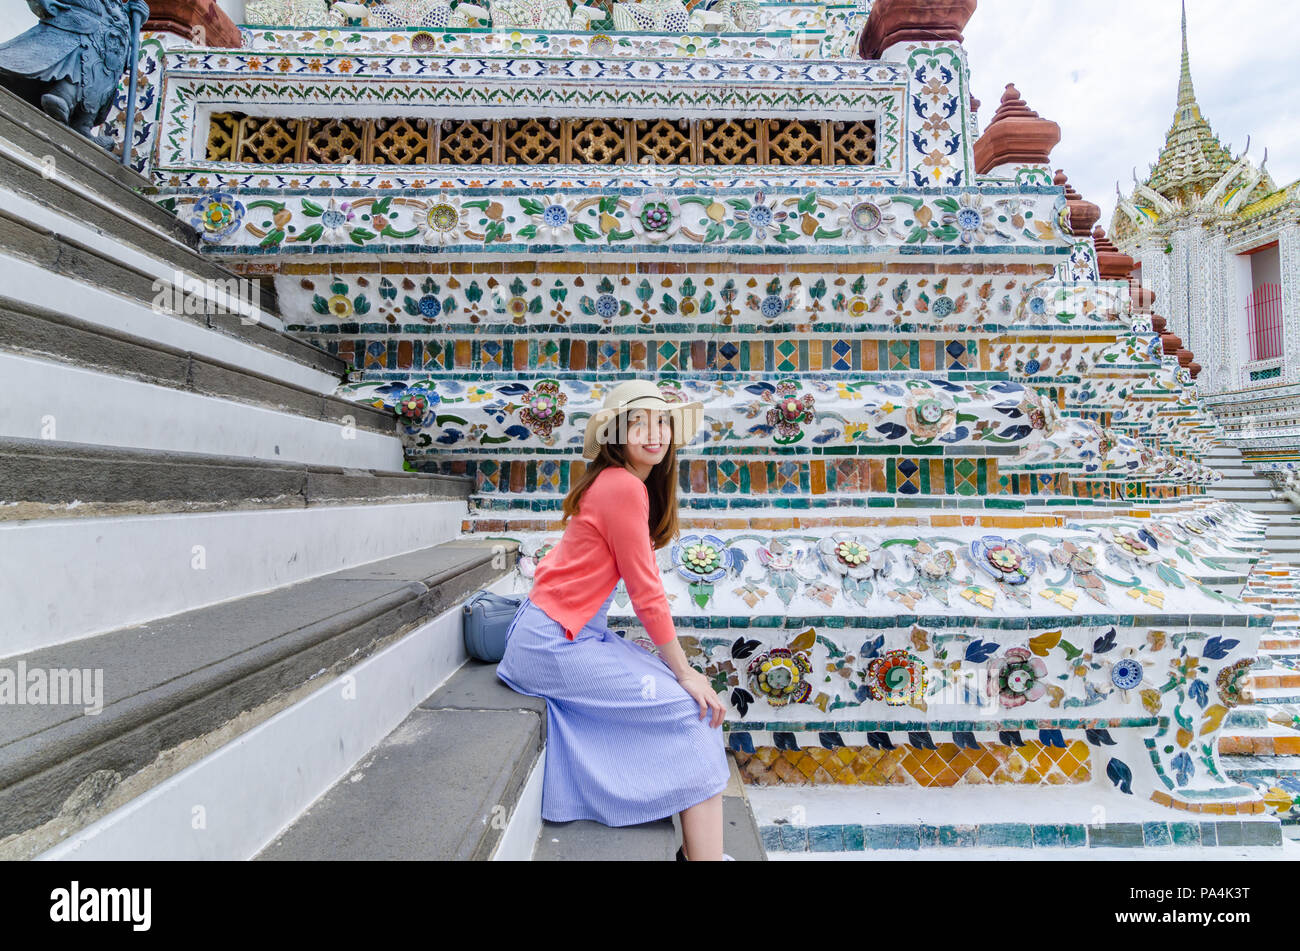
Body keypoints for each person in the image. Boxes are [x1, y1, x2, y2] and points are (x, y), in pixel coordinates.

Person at [496, 379, 733, 860]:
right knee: (694, 712)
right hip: (555, 644)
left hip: (566, 634)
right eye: (639, 421)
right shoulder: (622, 486)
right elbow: (647, 595)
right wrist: (685, 671)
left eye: (663, 421)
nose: (655, 432)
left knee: (675, 690)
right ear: (615, 434)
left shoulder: (617, 483)